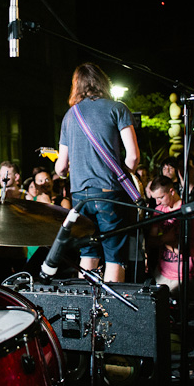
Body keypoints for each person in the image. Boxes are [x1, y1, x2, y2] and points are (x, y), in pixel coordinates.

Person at [55, 63, 140, 283]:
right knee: (114, 254)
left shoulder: (69, 116)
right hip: (108, 191)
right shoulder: (117, 108)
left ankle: (87, 311)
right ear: (103, 82)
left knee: (88, 252)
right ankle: (112, 313)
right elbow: (133, 157)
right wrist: (121, 173)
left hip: (79, 196)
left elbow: (60, 168)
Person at [146, 176, 194, 295]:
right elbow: (151, 241)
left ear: (171, 191)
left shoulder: (188, 211)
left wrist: (163, 239)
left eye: (160, 197)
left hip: (184, 275)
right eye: (155, 198)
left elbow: (183, 248)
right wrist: (165, 239)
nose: (158, 202)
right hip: (162, 273)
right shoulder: (159, 210)